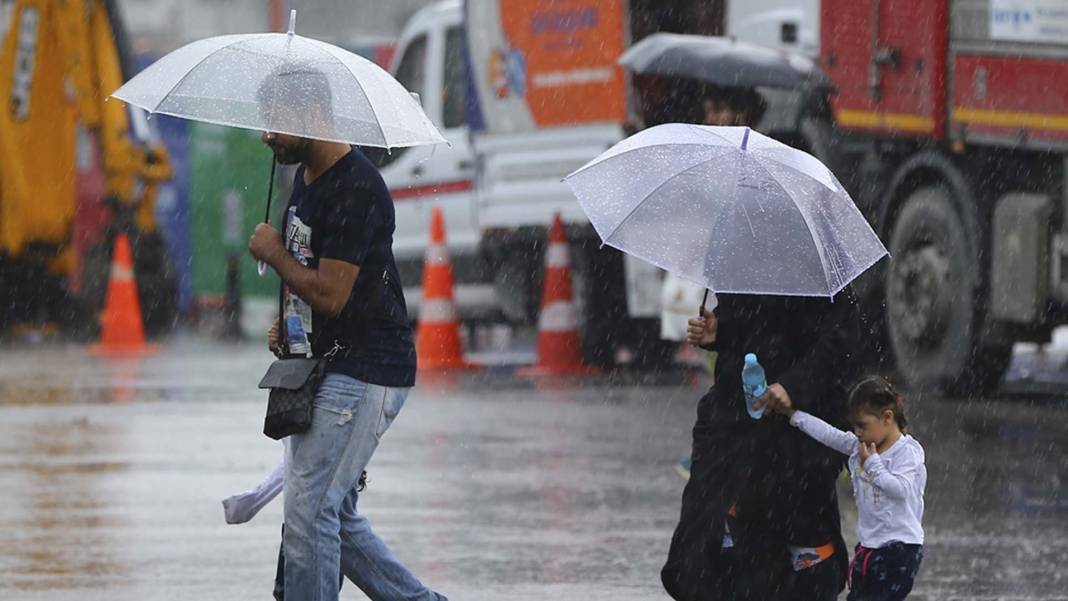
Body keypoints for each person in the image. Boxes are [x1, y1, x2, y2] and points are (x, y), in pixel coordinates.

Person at [248, 65, 446, 601]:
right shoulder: (304, 178)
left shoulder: (358, 189)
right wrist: (288, 329)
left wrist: (275, 255)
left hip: (366, 368)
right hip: (327, 363)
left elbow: (332, 292)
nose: (266, 135)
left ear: (313, 116)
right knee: (333, 513)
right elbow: (314, 287)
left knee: (310, 510)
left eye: (276, 123)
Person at [661, 289, 867, 601]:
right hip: (733, 419)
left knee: (800, 555)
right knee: (700, 548)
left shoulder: (820, 269)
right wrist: (719, 331)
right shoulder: (739, 253)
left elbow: (843, 339)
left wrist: (793, 386)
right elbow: (747, 323)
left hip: (799, 428)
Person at [766, 376, 926, 601]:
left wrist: (872, 465)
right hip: (869, 548)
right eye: (854, 426)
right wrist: (794, 415)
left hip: (899, 552)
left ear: (887, 418)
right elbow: (829, 434)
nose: (857, 432)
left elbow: (901, 490)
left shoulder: (907, 453)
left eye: (862, 425)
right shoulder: (859, 446)